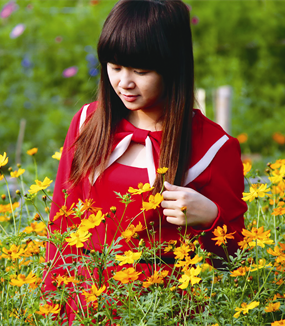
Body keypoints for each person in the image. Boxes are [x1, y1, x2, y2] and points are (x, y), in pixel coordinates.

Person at [43, 0, 247, 322]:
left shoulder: (214, 147)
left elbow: (235, 259)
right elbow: (61, 222)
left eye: (140, 71)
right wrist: (51, 308)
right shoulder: (88, 124)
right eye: (115, 66)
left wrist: (210, 216)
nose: (124, 82)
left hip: (166, 309)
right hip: (87, 305)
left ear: (173, 66)